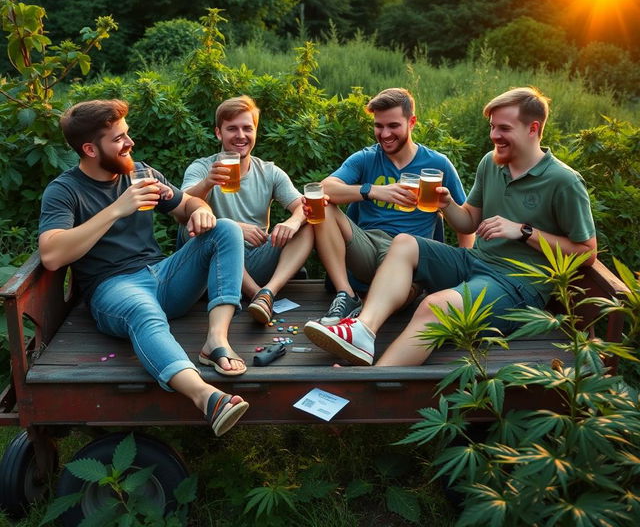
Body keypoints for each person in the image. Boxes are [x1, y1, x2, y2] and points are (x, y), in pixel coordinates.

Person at [304, 86, 598, 366]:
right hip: (476, 262)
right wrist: (446, 205)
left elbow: (586, 252)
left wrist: (524, 232)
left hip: (517, 284)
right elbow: (469, 221)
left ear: (533, 129)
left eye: (504, 129)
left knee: (436, 305)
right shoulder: (491, 163)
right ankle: (363, 330)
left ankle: (373, 383)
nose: (494, 135)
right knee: (405, 242)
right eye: (493, 127)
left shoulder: (564, 181)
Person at [38, 99, 249, 437]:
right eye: (119, 138)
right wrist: (117, 209)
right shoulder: (65, 191)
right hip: (113, 289)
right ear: (91, 149)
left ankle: (216, 340)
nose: (130, 143)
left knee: (226, 229)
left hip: (162, 276)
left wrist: (198, 210)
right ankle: (207, 397)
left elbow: (184, 204)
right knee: (142, 309)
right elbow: (51, 254)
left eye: (128, 133)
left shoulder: (141, 172)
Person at [309, 87, 474, 325]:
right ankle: (347, 294)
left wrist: (464, 273)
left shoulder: (437, 164)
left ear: (412, 122)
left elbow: (466, 223)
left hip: (411, 254)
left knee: (403, 298)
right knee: (323, 206)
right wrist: (373, 190)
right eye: (379, 126)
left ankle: (369, 311)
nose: (384, 133)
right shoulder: (366, 158)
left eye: (393, 125)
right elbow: (324, 188)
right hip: (368, 246)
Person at [179, 95, 313, 324]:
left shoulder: (270, 172)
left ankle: (267, 293)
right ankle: (256, 294)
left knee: (307, 226)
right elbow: (181, 208)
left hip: (256, 259)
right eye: (232, 129)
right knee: (195, 227)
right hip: (213, 266)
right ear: (218, 133)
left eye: (247, 128)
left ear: (255, 132)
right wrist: (208, 184)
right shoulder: (202, 168)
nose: (241, 136)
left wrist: (292, 222)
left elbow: (305, 207)